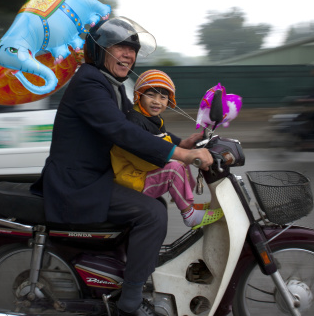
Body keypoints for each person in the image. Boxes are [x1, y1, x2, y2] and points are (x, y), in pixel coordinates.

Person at [30, 17, 213, 316]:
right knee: (152, 213)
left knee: (153, 201)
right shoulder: (89, 82)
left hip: (97, 177)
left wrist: (186, 143)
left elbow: (142, 128)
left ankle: (125, 269)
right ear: (99, 50)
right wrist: (180, 155)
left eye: (133, 49)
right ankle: (130, 300)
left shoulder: (111, 85)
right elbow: (121, 132)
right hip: (79, 183)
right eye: (120, 47)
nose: (129, 54)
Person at [110, 69, 224, 230]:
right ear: (139, 95)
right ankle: (189, 216)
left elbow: (164, 138)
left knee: (181, 160)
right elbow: (145, 161)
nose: (157, 101)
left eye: (163, 97)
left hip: (139, 175)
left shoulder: (151, 118)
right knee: (176, 167)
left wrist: (184, 144)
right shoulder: (134, 121)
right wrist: (180, 156)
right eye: (151, 95)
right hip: (132, 180)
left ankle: (186, 202)